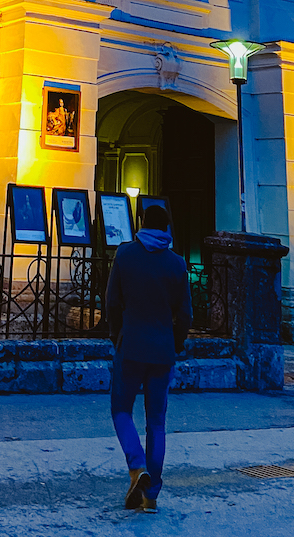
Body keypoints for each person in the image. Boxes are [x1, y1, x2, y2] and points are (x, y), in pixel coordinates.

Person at [105, 203, 190, 513]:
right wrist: (175, 343)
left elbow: (112, 301)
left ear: (141, 224)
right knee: (157, 422)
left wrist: (117, 335)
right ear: (166, 229)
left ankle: (135, 464)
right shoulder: (177, 264)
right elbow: (185, 314)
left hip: (131, 346)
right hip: (162, 350)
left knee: (120, 410)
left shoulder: (125, 255)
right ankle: (150, 493)